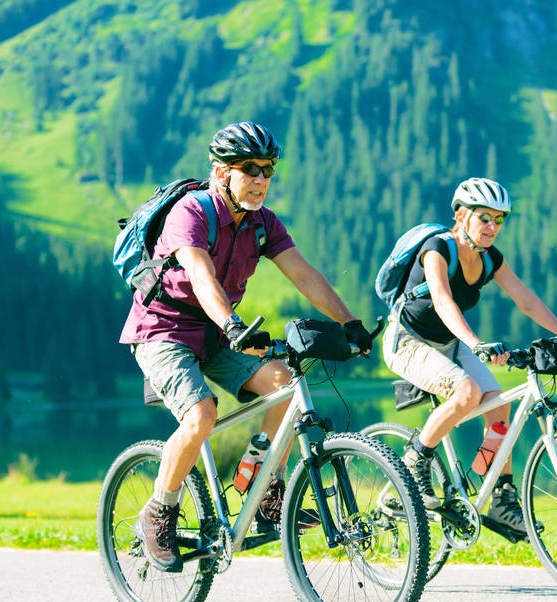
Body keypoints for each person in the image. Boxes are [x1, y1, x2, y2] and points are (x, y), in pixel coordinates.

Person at [119, 121, 372, 572]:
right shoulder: (190, 213)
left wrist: (349, 322)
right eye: (250, 169)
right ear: (222, 172)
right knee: (201, 414)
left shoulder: (263, 223)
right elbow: (200, 274)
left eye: (268, 170)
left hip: (218, 334)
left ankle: (260, 488)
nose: (261, 179)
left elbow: (304, 273)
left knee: (283, 382)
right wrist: (233, 323)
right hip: (164, 331)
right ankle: (158, 512)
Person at [381, 177, 557, 533]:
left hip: (451, 342)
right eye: (485, 218)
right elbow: (442, 300)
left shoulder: (490, 258)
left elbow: (525, 300)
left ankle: (497, 495)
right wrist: (476, 342)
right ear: (462, 216)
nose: (493, 226)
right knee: (467, 393)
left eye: (499, 219)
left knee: (498, 405)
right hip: (407, 341)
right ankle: (412, 469)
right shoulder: (437, 248)